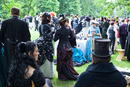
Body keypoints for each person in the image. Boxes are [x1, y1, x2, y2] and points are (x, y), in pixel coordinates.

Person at [0, 7, 31, 85]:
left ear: (11, 13)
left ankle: (9, 82)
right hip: (20, 47)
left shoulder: (5, 22)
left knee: (9, 64)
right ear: (18, 13)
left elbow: (1, 36)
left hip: (8, 47)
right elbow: (27, 37)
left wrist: (6, 43)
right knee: (19, 64)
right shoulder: (23, 23)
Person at [38, 12, 54, 78]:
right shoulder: (47, 26)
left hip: (41, 43)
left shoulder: (40, 25)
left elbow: (41, 35)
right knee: (47, 58)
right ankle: (47, 74)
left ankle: (43, 73)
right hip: (47, 44)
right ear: (48, 18)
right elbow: (47, 36)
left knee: (42, 58)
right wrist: (52, 31)